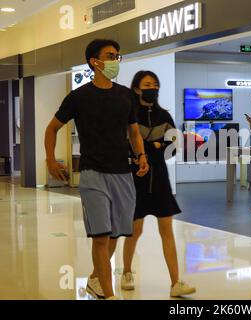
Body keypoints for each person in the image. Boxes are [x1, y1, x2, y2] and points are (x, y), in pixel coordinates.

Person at [45, 39, 149, 300]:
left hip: (122, 173)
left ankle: (95, 279)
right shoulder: (78, 97)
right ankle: (108, 294)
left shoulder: (126, 95)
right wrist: (50, 159)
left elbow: (134, 132)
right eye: (110, 56)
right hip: (93, 174)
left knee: (117, 233)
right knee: (101, 236)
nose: (116, 60)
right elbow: (52, 128)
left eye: (117, 56)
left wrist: (142, 155)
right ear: (95, 61)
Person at [121, 71, 196, 297]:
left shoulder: (164, 115)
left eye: (155, 84)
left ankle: (175, 282)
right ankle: (126, 271)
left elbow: (174, 145)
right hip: (135, 179)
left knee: (167, 231)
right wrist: (152, 147)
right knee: (135, 230)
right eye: (147, 84)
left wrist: (148, 148)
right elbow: (127, 144)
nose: (152, 88)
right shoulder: (129, 114)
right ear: (136, 88)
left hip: (161, 179)